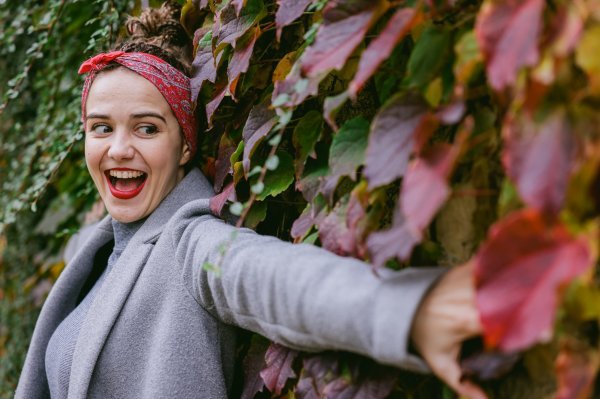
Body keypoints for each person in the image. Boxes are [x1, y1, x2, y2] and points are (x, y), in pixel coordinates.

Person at [15, 2, 485, 398]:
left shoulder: (188, 242)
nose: (118, 148)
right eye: (101, 127)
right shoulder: (91, 255)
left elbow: (271, 279)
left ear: (183, 146)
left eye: (146, 128)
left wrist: (407, 311)